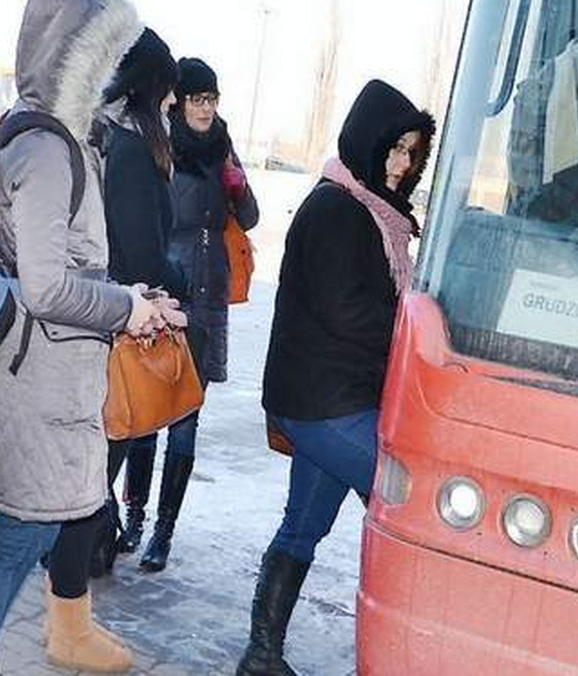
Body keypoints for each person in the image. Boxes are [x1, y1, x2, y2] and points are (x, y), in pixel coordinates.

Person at [0, 2, 164, 674]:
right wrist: (125, 307)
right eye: (107, 56)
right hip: (37, 384)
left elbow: (67, 268)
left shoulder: (52, 139)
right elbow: (45, 287)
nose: (115, 76)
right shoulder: (46, 149)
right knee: (13, 536)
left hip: (48, 376)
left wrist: (131, 299)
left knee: (18, 532)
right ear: (80, 58)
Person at [236, 80, 434, 676]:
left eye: (411, 153)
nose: (400, 165)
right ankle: (400, 655)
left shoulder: (371, 212)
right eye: (393, 149)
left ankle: (260, 655)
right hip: (327, 406)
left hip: (324, 400)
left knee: (303, 526)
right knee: (409, 509)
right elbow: (350, 312)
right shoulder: (339, 209)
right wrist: (416, 332)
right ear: (366, 142)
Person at [114, 57, 261, 571]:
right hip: (166, 289)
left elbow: (250, 216)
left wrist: (236, 182)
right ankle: (133, 516)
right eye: (197, 99)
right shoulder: (163, 147)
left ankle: (164, 531)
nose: (205, 109)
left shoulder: (223, 148)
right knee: (147, 411)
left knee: (186, 417)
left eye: (212, 100)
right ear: (181, 102)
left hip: (208, 292)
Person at [96, 27, 190, 576]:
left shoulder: (117, 140)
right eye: (170, 90)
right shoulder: (131, 149)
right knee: (108, 444)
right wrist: (177, 276)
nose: (174, 102)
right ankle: (75, 561)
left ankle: (79, 556)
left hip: (113, 314)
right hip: (122, 319)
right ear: (150, 88)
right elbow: (141, 253)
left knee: (106, 445)